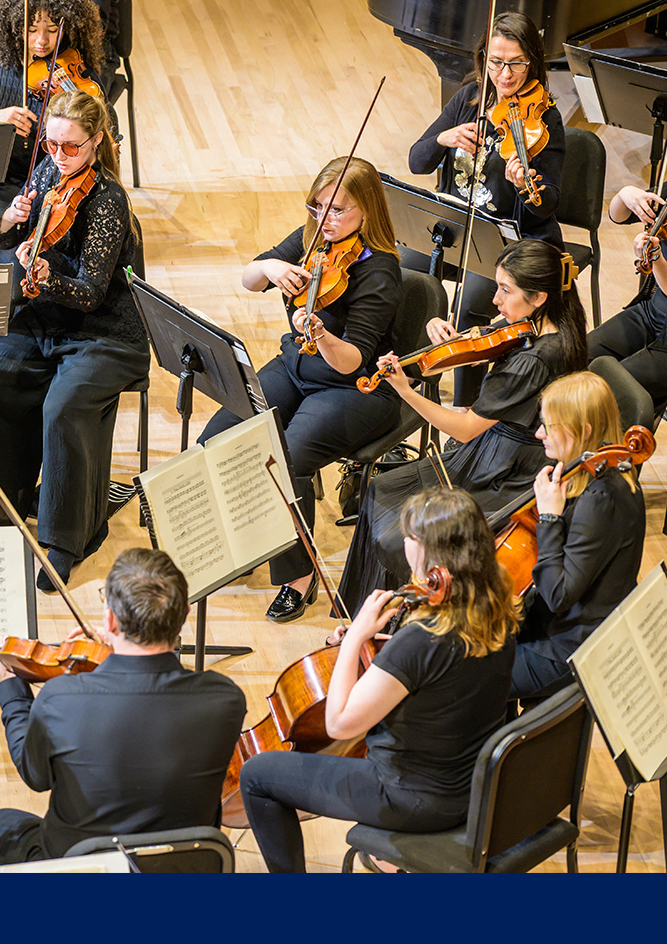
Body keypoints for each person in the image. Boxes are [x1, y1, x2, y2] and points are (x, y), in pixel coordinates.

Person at [241, 488, 520, 873]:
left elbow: (339, 724)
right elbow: (440, 673)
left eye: (410, 538)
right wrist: (379, 646)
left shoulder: (421, 640)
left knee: (257, 774)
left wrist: (355, 637)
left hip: (411, 798)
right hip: (469, 786)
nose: (404, 543)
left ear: (429, 553)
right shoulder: (495, 609)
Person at [0, 90, 150, 591]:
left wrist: (46, 275)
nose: (59, 157)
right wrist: (13, 223)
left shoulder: (107, 201)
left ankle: (67, 539)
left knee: (63, 407)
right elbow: (0, 241)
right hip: (42, 317)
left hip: (101, 332)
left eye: (71, 148)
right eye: (51, 143)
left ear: (97, 141)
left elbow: (89, 291)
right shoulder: (43, 173)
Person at [332, 239, 588, 623]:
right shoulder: (540, 324)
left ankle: (403, 623)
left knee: (394, 535)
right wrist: (448, 341)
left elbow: (467, 428)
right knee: (381, 489)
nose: (495, 301)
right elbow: (477, 347)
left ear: (539, 297)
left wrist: (406, 391)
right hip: (499, 445)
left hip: (510, 470)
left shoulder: (536, 359)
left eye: (505, 290)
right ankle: (362, 621)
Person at [198, 156, 403, 624]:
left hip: (358, 388)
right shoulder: (313, 239)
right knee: (221, 434)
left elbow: (353, 359)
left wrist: (322, 334)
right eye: (318, 207)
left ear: (367, 211)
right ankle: (250, 538)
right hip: (296, 368)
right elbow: (248, 279)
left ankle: (300, 576)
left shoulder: (380, 270)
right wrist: (270, 267)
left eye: (338, 211)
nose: (325, 219)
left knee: (285, 459)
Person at [0, 547, 246, 866]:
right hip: (184, 866)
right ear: (183, 613)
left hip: (84, 867)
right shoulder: (225, 698)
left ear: (111, 620)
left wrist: (9, 685)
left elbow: (35, 775)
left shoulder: (60, 699)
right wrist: (109, 655)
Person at [407, 10, 566, 406]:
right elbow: (416, 161)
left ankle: (466, 410)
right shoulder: (469, 98)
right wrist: (444, 137)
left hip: (506, 241)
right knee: (401, 276)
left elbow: (545, 209)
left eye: (516, 63)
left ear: (533, 61)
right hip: (453, 225)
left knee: (472, 303)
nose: (506, 74)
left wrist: (522, 185)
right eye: (496, 62)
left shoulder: (546, 118)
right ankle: (402, 384)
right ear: (484, 58)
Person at [509, 370, 645, 701]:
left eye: (549, 426)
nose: (539, 433)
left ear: (582, 431)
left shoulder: (602, 499)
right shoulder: (597, 471)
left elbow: (558, 595)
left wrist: (550, 516)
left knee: (462, 677)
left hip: (569, 648)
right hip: (555, 624)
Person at [0, 0, 109, 267]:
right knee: (0, 253)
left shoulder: (78, 73)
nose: (41, 40)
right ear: (15, 25)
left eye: (52, 29)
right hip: (10, 184)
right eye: (31, 29)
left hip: (64, 189)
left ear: (68, 26)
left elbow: (103, 137)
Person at [586, 182, 667, 412]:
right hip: (651, 313)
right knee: (578, 357)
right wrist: (626, 194)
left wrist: (656, 258)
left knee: (609, 390)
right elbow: (618, 215)